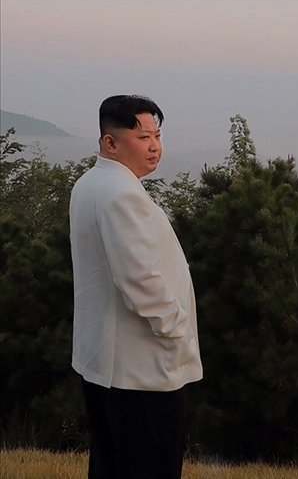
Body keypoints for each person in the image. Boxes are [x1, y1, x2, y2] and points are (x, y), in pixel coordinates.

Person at [69, 95, 203, 478]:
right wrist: (176, 330)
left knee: (113, 464)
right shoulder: (121, 194)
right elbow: (139, 279)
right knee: (149, 465)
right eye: (143, 136)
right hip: (140, 366)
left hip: (108, 363)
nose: (155, 146)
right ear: (110, 142)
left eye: (157, 135)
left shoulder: (91, 183)